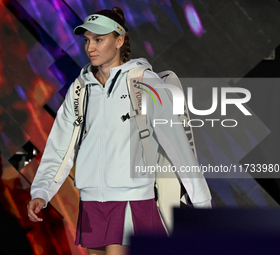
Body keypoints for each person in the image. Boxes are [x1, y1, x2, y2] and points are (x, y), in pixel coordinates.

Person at [27, 6, 212, 255]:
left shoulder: (144, 82)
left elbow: (177, 145)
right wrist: (42, 191)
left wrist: (202, 202)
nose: (90, 47)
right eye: (87, 40)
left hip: (131, 201)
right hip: (91, 202)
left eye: (99, 39)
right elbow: (60, 146)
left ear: (119, 39)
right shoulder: (80, 89)